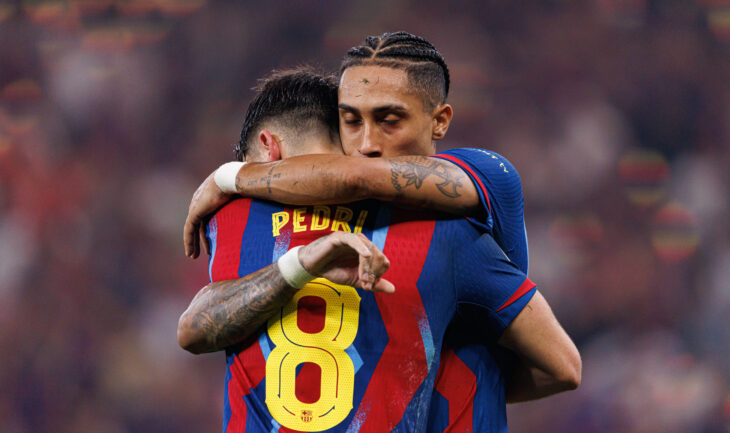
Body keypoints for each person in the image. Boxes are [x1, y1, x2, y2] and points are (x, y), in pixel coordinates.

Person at [182, 32, 581, 432]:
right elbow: (562, 368)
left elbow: (357, 178)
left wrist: (229, 177)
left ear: (440, 120)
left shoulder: (488, 180)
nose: (367, 143)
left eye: (389, 120)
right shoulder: (448, 234)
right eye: (351, 121)